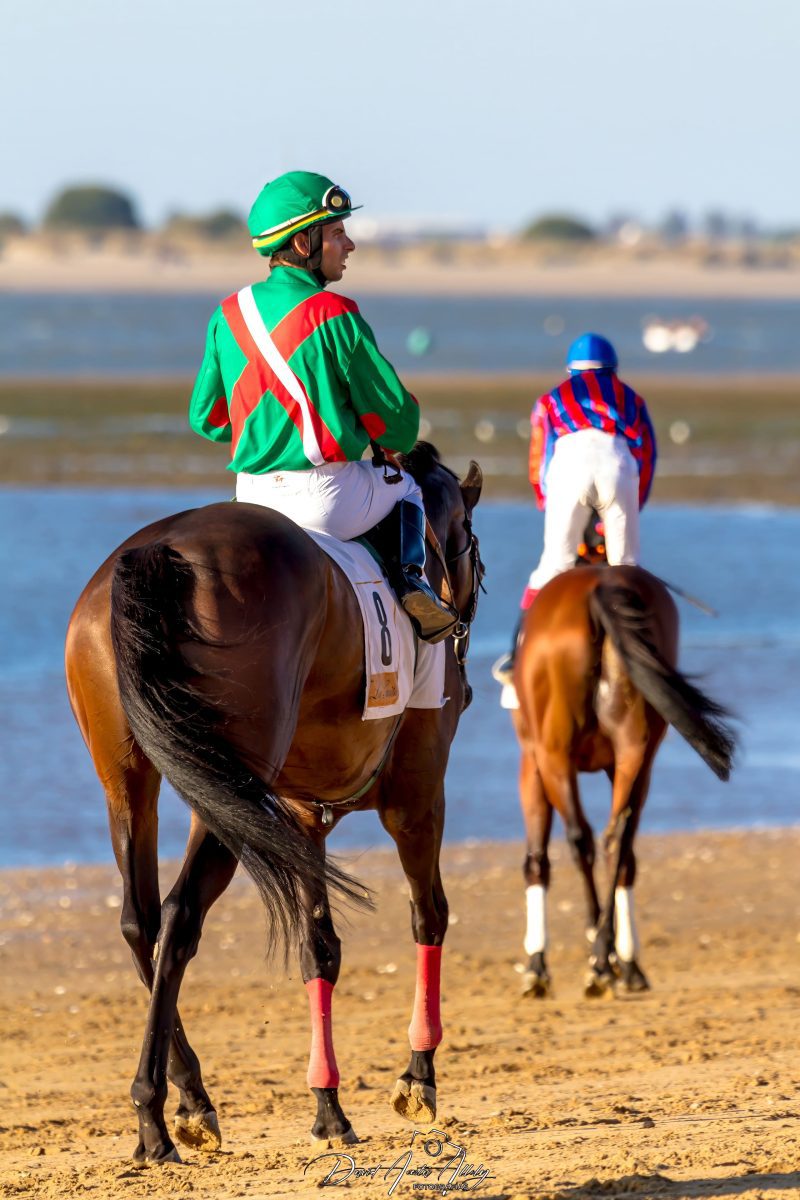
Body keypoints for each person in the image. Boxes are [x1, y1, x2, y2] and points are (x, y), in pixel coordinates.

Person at [188, 170, 457, 642]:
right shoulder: (336, 314)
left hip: (252, 498)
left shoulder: (226, 313)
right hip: (327, 499)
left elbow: (207, 418)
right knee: (411, 487)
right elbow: (398, 429)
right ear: (301, 244)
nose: (349, 245)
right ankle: (415, 588)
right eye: (336, 233)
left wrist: (268, 429)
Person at [493, 332, 657, 683]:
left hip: (568, 470)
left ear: (571, 370)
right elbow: (646, 455)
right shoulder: (633, 399)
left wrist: (545, 500)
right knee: (626, 566)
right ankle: (646, 655)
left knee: (554, 564)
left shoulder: (550, 400)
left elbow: (541, 456)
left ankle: (516, 655)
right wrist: (633, 504)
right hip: (618, 465)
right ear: (613, 369)